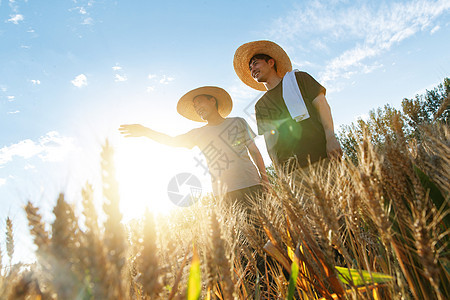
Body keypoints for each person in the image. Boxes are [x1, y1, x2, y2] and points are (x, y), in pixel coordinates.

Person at [119, 86, 269, 209]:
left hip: (252, 184)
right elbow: (171, 141)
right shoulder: (198, 133)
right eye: (195, 106)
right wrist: (146, 131)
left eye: (199, 102)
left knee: (267, 237)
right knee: (242, 242)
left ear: (212, 101)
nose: (197, 108)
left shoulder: (238, 122)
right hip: (224, 194)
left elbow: (255, 152)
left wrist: (265, 180)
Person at [233, 40, 343, 170]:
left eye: (256, 63)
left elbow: (322, 105)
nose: (253, 70)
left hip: (323, 156)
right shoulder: (261, 105)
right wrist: (278, 170)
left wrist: (331, 138)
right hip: (293, 170)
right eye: (251, 68)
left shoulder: (299, 79)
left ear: (271, 62)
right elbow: (270, 141)